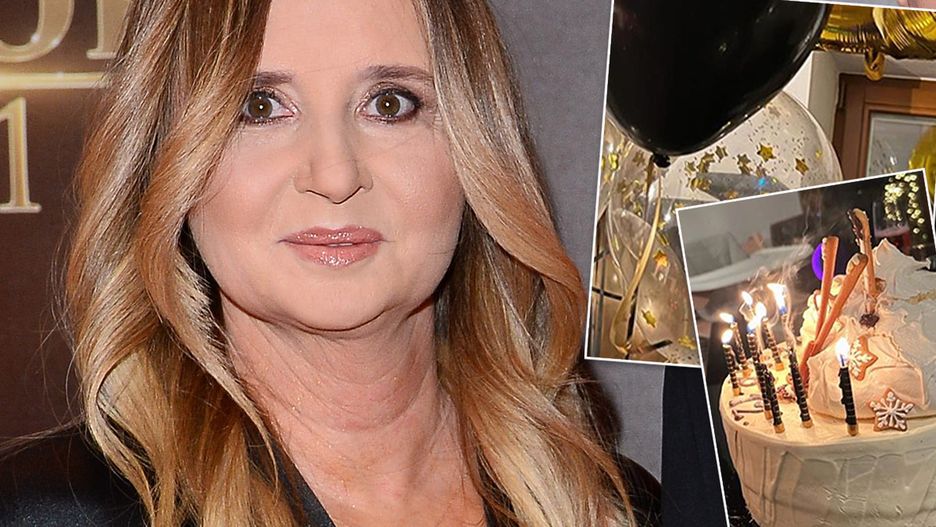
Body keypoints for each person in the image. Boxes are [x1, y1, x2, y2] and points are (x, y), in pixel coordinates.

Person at [0, 0, 661, 525]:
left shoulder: (613, 506)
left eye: (390, 103)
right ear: (165, 162)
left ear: (476, 155)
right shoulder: (56, 511)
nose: (335, 175)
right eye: (259, 107)